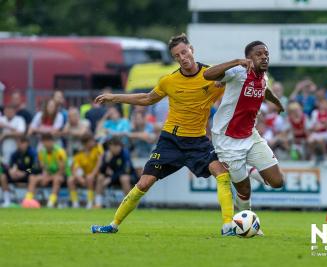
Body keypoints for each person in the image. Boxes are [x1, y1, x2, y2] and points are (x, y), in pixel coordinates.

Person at [91, 33, 234, 235]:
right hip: (171, 141)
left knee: (222, 172)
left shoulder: (212, 75)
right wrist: (115, 97)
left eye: (184, 52)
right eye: (177, 55)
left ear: (191, 49)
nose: (182, 57)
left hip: (198, 141)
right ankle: (113, 225)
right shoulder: (169, 81)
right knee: (144, 182)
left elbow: (235, 88)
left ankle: (228, 226)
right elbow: (147, 99)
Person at [203, 40, 285, 217]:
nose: (264, 57)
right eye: (259, 54)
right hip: (227, 140)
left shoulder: (263, 76)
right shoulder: (238, 72)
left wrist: (277, 102)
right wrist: (235, 61)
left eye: (266, 54)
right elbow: (208, 74)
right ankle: (246, 221)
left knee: (277, 182)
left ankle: (251, 171)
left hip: (251, 135)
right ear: (248, 58)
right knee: (244, 190)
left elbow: (265, 89)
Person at [23, 133, 70, 208]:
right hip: (49, 175)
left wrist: (49, 178)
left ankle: (51, 203)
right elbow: (44, 168)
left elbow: (62, 170)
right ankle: (27, 201)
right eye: (44, 142)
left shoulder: (60, 152)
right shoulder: (42, 152)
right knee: (32, 177)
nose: (46, 144)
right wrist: (45, 176)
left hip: (63, 175)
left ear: (52, 141)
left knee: (57, 179)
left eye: (47, 141)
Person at [94, 137, 138, 207]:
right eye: (113, 147)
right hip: (114, 177)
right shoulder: (107, 154)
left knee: (124, 178)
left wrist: (111, 179)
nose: (115, 149)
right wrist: (106, 161)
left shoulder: (125, 154)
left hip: (129, 177)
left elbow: (125, 171)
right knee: (100, 177)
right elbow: (102, 171)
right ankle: (98, 203)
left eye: (117, 146)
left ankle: (129, 205)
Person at [0, 136, 40, 207]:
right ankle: (7, 201)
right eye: (18, 143)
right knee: (2, 176)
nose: (20, 145)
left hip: (28, 174)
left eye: (22, 143)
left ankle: (28, 200)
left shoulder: (33, 153)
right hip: (17, 175)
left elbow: (35, 168)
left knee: (32, 177)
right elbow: (9, 166)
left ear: (27, 143)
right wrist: (11, 171)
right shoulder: (15, 154)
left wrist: (25, 172)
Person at [68, 134, 103, 208]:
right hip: (85, 175)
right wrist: (79, 178)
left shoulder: (97, 148)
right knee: (70, 180)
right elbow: (74, 169)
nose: (93, 143)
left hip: (96, 174)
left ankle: (90, 203)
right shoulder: (79, 154)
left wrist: (92, 174)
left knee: (90, 178)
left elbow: (99, 163)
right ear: (85, 144)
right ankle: (75, 203)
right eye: (91, 141)